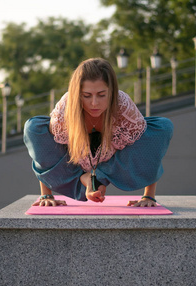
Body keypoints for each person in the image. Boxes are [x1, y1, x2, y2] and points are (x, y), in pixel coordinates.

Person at [24, 58, 173, 207]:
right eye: (86, 95)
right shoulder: (65, 108)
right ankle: (85, 179)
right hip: (72, 166)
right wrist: (46, 195)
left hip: (113, 166)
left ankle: (99, 178)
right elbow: (44, 150)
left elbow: (152, 145)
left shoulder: (123, 105)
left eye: (101, 94)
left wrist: (149, 196)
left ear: (112, 91)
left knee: (162, 128)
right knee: (33, 128)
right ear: (77, 94)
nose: (94, 103)